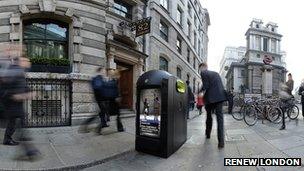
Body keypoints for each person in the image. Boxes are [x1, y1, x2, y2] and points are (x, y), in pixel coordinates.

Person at [1, 57, 40, 159]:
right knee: (20, 125)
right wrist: (21, 96)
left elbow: (24, 87)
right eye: (26, 61)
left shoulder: (20, 72)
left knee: (16, 123)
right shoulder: (15, 71)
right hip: (12, 104)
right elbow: (9, 89)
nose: (28, 62)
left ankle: (8, 140)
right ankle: (29, 150)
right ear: (21, 62)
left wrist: (30, 92)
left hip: (16, 105)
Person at [198, 62, 227, 148]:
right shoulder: (216, 73)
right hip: (220, 97)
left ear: (202, 67)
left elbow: (206, 86)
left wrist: (199, 92)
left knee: (209, 116)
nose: (200, 71)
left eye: (200, 69)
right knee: (220, 119)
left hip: (210, 99)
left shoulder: (203, 72)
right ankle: (221, 142)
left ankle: (208, 134)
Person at [79, 67, 110, 134]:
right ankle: (92, 128)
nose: (104, 72)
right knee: (100, 113)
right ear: (100, 71)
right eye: (103, 71)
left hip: (99, 99)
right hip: (100, 99)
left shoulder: (96, 78)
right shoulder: (98, 78)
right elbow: (98, 87)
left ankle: (99, 127)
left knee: (101, 113)